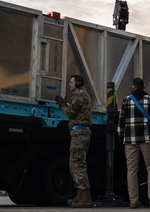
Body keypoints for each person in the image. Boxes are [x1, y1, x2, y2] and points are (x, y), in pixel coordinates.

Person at [117, 77, 150, 209]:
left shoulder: (126, 101)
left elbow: (121, 123)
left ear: (133, 86)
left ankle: (133, 201)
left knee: (131, 169)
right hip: (147, 139)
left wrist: (121, 137)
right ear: (144, 86)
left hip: (130, 140)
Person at [56, 74, 93, 208]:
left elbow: (70, 113)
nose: (70, 84)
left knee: (77, 164)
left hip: (80, 134)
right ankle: (80, 195)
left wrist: (62, 104)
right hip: (80, 133)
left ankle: (86, 197)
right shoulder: (83, 95)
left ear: (77, 83)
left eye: (71, 82)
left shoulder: (79, 96)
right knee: (76, 164)